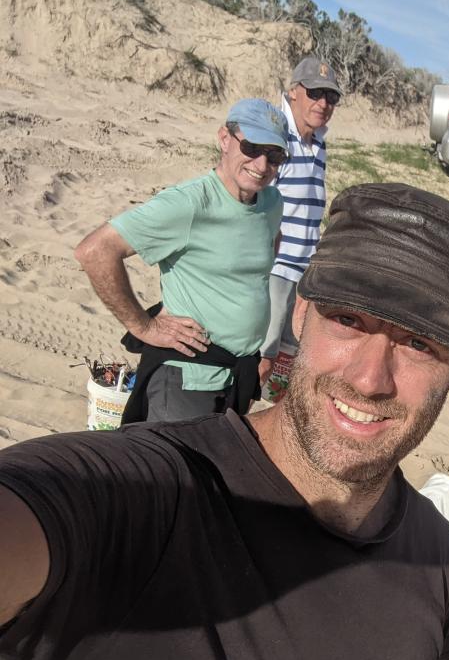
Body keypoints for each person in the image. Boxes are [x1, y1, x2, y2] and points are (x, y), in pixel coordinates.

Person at [0, 183, 449, 660]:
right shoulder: (146, 495)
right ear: (301, 313)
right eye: (347, 319)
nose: (370, 379)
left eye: (418, 343)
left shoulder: (437, 558)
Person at [73, 98, 288, 423]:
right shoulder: (188, 204)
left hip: (236, 379)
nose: (261, 164)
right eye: (252, 146)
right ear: (225, 139)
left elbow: (269, 243)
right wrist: (143, 326)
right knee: (174, 473)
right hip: (187, 380)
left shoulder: (271, 202)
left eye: (274, 155)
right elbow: (95, 251)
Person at [258, 56, 342, 390]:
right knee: (261, 360)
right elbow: (258, 205)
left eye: (331, 97)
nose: (323, 103)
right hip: (276, 272)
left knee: (287, 365)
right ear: (293, 91)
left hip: (304, 276)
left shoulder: (318, 141)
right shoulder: (276, 136)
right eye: (315, 93)